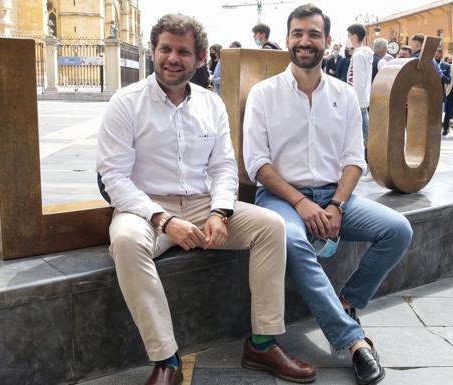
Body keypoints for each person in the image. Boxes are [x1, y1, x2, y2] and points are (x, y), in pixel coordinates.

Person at [96, 14, 315, 385]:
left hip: (202, 204)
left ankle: (262, 343)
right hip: (145, 207)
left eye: (183, 51)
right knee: (126, 241)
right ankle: (166, 359)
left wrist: (220, 212)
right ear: (153, 51)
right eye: (165, 48)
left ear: (199, 59)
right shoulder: (126, 102)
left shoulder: (211, 105)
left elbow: (224, 167)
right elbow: (113, 176)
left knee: (271, 226)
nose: (172, 58)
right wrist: (163, 220)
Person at [243, 4, 413, 385]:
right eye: (298, 33)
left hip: (336, 197)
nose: (305, 41)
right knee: (289, 237)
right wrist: (301, 202)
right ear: (287, 39)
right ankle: (354, 343)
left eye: (314, 34)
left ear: (327, 41)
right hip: (280, 199)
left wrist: (336, 204)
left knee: (399, 229)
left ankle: (346, 303)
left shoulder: (345, 95)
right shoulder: (263, 94)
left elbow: (354, 160)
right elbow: (257, 163)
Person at [346, 23, 373, 163]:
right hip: (361, 101)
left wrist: (352, 101)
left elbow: (356, 81)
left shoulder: (358, 56)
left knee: (363, 136)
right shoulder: (364, 54)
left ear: (355, 36)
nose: (348, 39)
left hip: (357, 102)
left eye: (349, 36)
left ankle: (367, 163)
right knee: (363, 134)